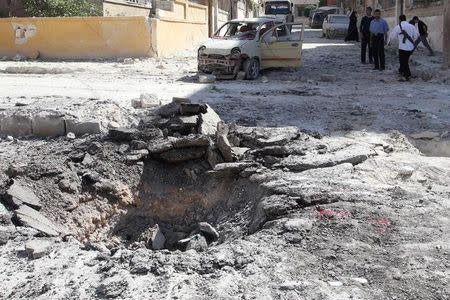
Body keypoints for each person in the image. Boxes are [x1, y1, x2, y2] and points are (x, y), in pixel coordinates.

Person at [389, 15, 418, 81]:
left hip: (402, 47)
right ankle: (402, 72)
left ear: (399, 20)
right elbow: (415, 36)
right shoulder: (412, 26)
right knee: (405, 61)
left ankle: (407, 75)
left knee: (403, 62)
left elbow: (392, 37)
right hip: (410, 47)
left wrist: (390, 42)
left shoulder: (398, 27)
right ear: (405, 19)